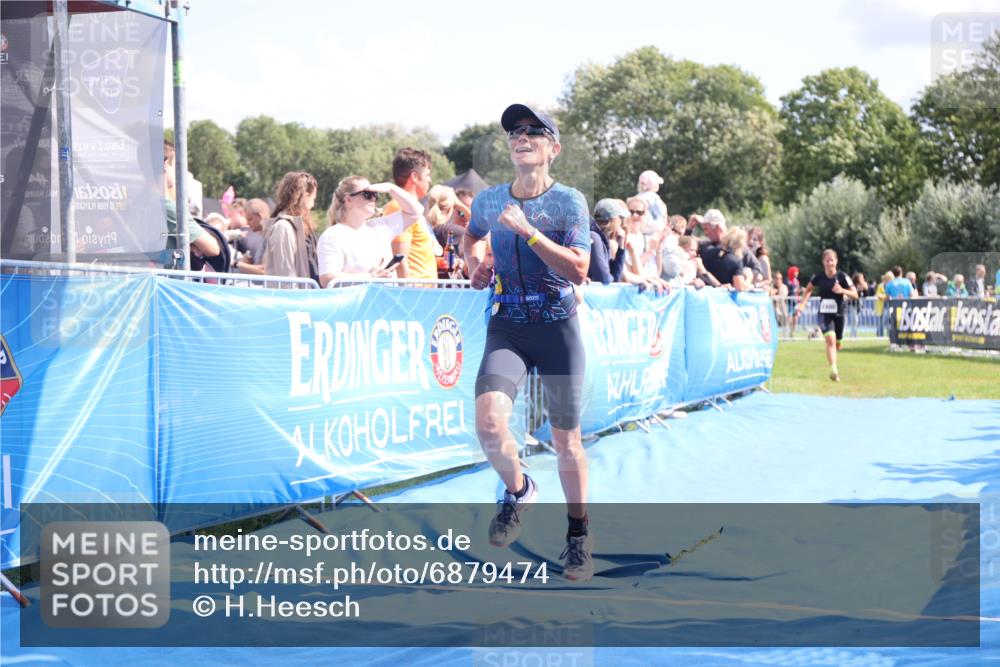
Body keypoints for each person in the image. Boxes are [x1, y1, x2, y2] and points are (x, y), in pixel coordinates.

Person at [462, 103, 594, 581]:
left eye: (534, 131)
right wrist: (475, 262)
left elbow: (580, 269)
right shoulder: (489, 201)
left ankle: (578, 535)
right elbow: (473, 237)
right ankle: (518, 491)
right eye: (515, 131)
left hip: (558, 326)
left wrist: (528, 232)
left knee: (566, 442)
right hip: (509, 324)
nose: (522, 136)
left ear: (552, 149)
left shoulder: (569, 202)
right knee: (490, 424)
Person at [317, 176, 425, 287]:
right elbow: (327, 278)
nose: (373, 199)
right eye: (367, 194)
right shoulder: (332, 236)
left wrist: (391, 188)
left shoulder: (381, 227)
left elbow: (416, 211)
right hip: (357, 303)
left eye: (375, 194)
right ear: (348, 200)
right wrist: (370, 278)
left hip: (386, 301)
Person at [794, 249, 858, 381]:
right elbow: (808, 290)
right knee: (830, 340)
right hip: (824, 313)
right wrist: (801, 305)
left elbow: (855, 295)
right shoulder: (818, 277)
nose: (830, 263)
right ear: (823, 262)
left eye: (832, 260)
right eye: (827, 260)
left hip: (839, 314)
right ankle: (833, 370)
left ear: (836, 261)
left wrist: (842, 290)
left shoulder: (842, 277)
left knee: (837, 344)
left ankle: (833, 362)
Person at [385, 148, 439, 281]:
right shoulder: (399, 207)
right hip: (415, 295)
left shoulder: (410, 208)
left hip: (422, 293)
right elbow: (399, 259)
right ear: (414, 177)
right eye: (427, 174)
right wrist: (409, 295)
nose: (430, 180)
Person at [263, 171, 319, 284]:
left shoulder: (295, 226)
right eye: (313, 199)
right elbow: (286, 276)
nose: (313, 205)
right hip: (292, 298)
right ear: (306, 196)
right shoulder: (283, 228)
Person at [587, 198, 628, 285]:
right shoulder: (594, 237)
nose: (622, 222)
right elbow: (604, 278)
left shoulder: (602, 239)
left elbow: (615, 277)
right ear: (613, 220)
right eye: (620, 218)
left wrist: (621, 247)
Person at [635, 169, 668, 240]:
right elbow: (662, 215)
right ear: (655, 185)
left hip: (639, 233)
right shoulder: (655, 198)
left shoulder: (636, 198)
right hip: (655, 234)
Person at [848, 272, 868, 338]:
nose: (862, 279)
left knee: (857, 321)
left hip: (859, 305)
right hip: (852, 304)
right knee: (855, 320)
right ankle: (852, 335)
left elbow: (866, 293)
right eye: (861, 277)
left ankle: (854, 334)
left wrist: (863, 285)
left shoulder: (863, 285)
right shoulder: (853, 285)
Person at [874, 271, 892, 337]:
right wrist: (885, 297)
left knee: (888, 322)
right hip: (881, 306)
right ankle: (879, 335)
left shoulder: (891, 285)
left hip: (889, 306)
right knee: (880, 322)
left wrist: (883, 297)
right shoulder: (880, 286)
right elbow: (878, 294)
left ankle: (889, 335)